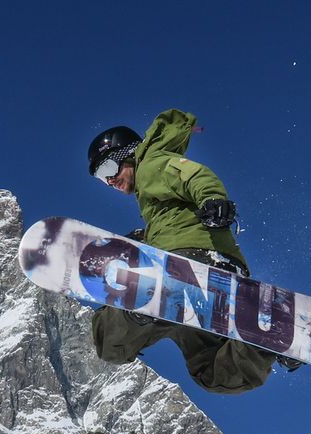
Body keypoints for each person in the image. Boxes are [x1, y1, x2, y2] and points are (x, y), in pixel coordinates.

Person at [87, 108, 299, 395]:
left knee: (108, 341)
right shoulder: (155, 205)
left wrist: (213, 200)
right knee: (210, 371)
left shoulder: (151, 165)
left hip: (188, 264)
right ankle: (263, 338)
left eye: (108, 170)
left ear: (128, 154)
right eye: (102, 178)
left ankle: (143, 303)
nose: (109, 181)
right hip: (208, 277)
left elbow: (193, 175)